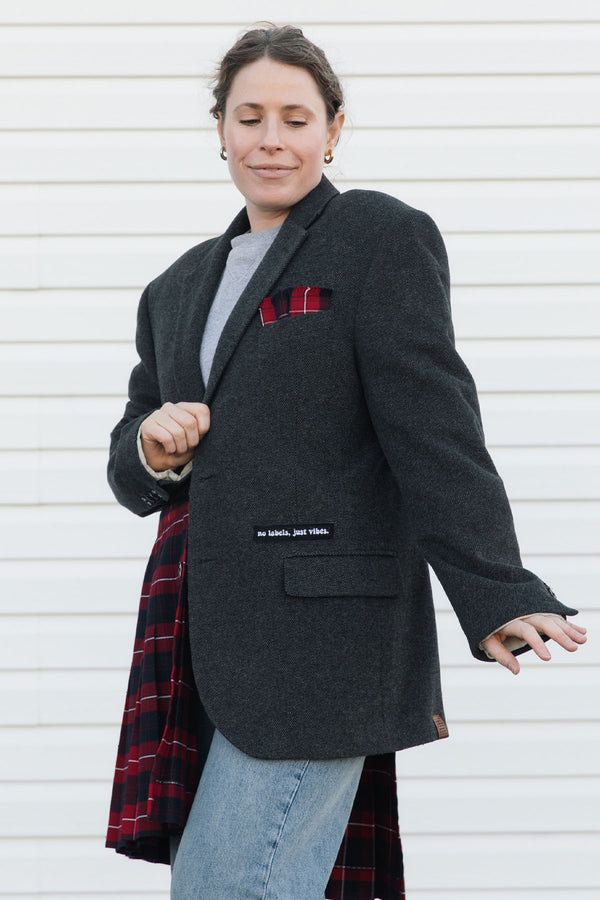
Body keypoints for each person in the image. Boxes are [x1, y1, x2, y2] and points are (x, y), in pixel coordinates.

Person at [106, 24, 587, 900]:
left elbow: (434, 427)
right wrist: (151, 445)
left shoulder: (378, 238)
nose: (271, 138)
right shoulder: (176, 287)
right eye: (250, 116)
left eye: (296, 117)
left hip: (322, 639)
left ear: (333, 130)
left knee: (228, 886)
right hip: (201, 625)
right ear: (221, 130)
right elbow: (132, 446)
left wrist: (497, 588)